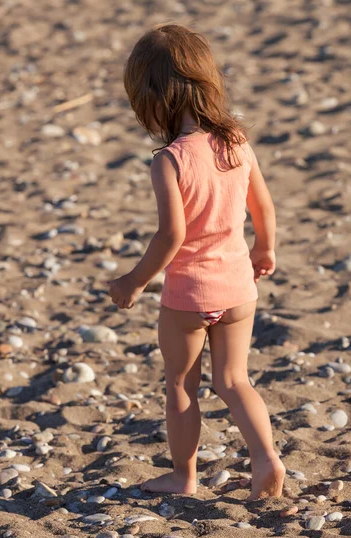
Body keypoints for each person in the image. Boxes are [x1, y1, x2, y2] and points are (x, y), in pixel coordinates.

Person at [108, 23, 285, 500]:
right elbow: (262, 206)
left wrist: (134, 281)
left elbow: (172, 234)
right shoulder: (236, 143)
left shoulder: (169, 159)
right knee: (234, 379)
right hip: (238, 289)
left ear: (149, 96)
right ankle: (266, 457)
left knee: (182, 386)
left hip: (188, 296)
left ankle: (184, 477)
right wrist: (264, 248)